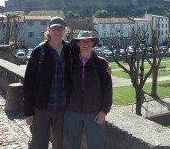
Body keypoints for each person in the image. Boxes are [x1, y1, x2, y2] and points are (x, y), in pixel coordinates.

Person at [23, 16, 72, 149]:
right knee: (39, 144)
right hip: (41, 109)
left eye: (60, 29)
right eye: (54, 29)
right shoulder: (39, 52)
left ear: (64, 31)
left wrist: (102, 62)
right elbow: (28, 83)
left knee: (60, 144)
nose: (57, 32)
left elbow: (87, 55)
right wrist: (28, 112)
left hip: (62, 108)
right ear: (48, 30)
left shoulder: (70, 50)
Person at [64, 31, 113, 149]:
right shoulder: (70, 62)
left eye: (88, 40)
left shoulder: (101, 63)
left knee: (96, 145)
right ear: (78, 43)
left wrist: (103, 111)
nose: (85, 43)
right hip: (72, 112)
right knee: (71, 145)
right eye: (82, 41)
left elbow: (108, 89)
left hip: (94, 113)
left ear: (92, 43)